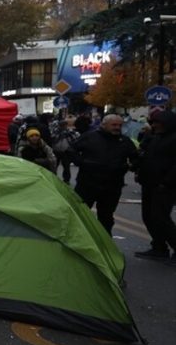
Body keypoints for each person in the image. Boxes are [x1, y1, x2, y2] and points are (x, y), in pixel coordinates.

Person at [69, 113, 138, 234]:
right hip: (88, 183)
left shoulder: (124, 141)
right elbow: (71, 150)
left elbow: (135, 157)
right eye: (114, 125)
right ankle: (78, 238)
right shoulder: (90, 137)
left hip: (112, 185)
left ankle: (106, 243)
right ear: (104, 125)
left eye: (119, 125)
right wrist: (82, 163)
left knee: (106, 216)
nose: (117, 127)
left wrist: (128, 166)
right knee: (80, 213)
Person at [135, 110, 176, 262]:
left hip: (165, 186)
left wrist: (167, 182)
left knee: (161, 218)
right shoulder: (155, 138)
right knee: (149, 217)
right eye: (154, 122)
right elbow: (147, 158)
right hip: (149, 183)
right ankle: (159, 247)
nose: (155, 125)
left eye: (158, 123)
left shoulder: (173, 139)